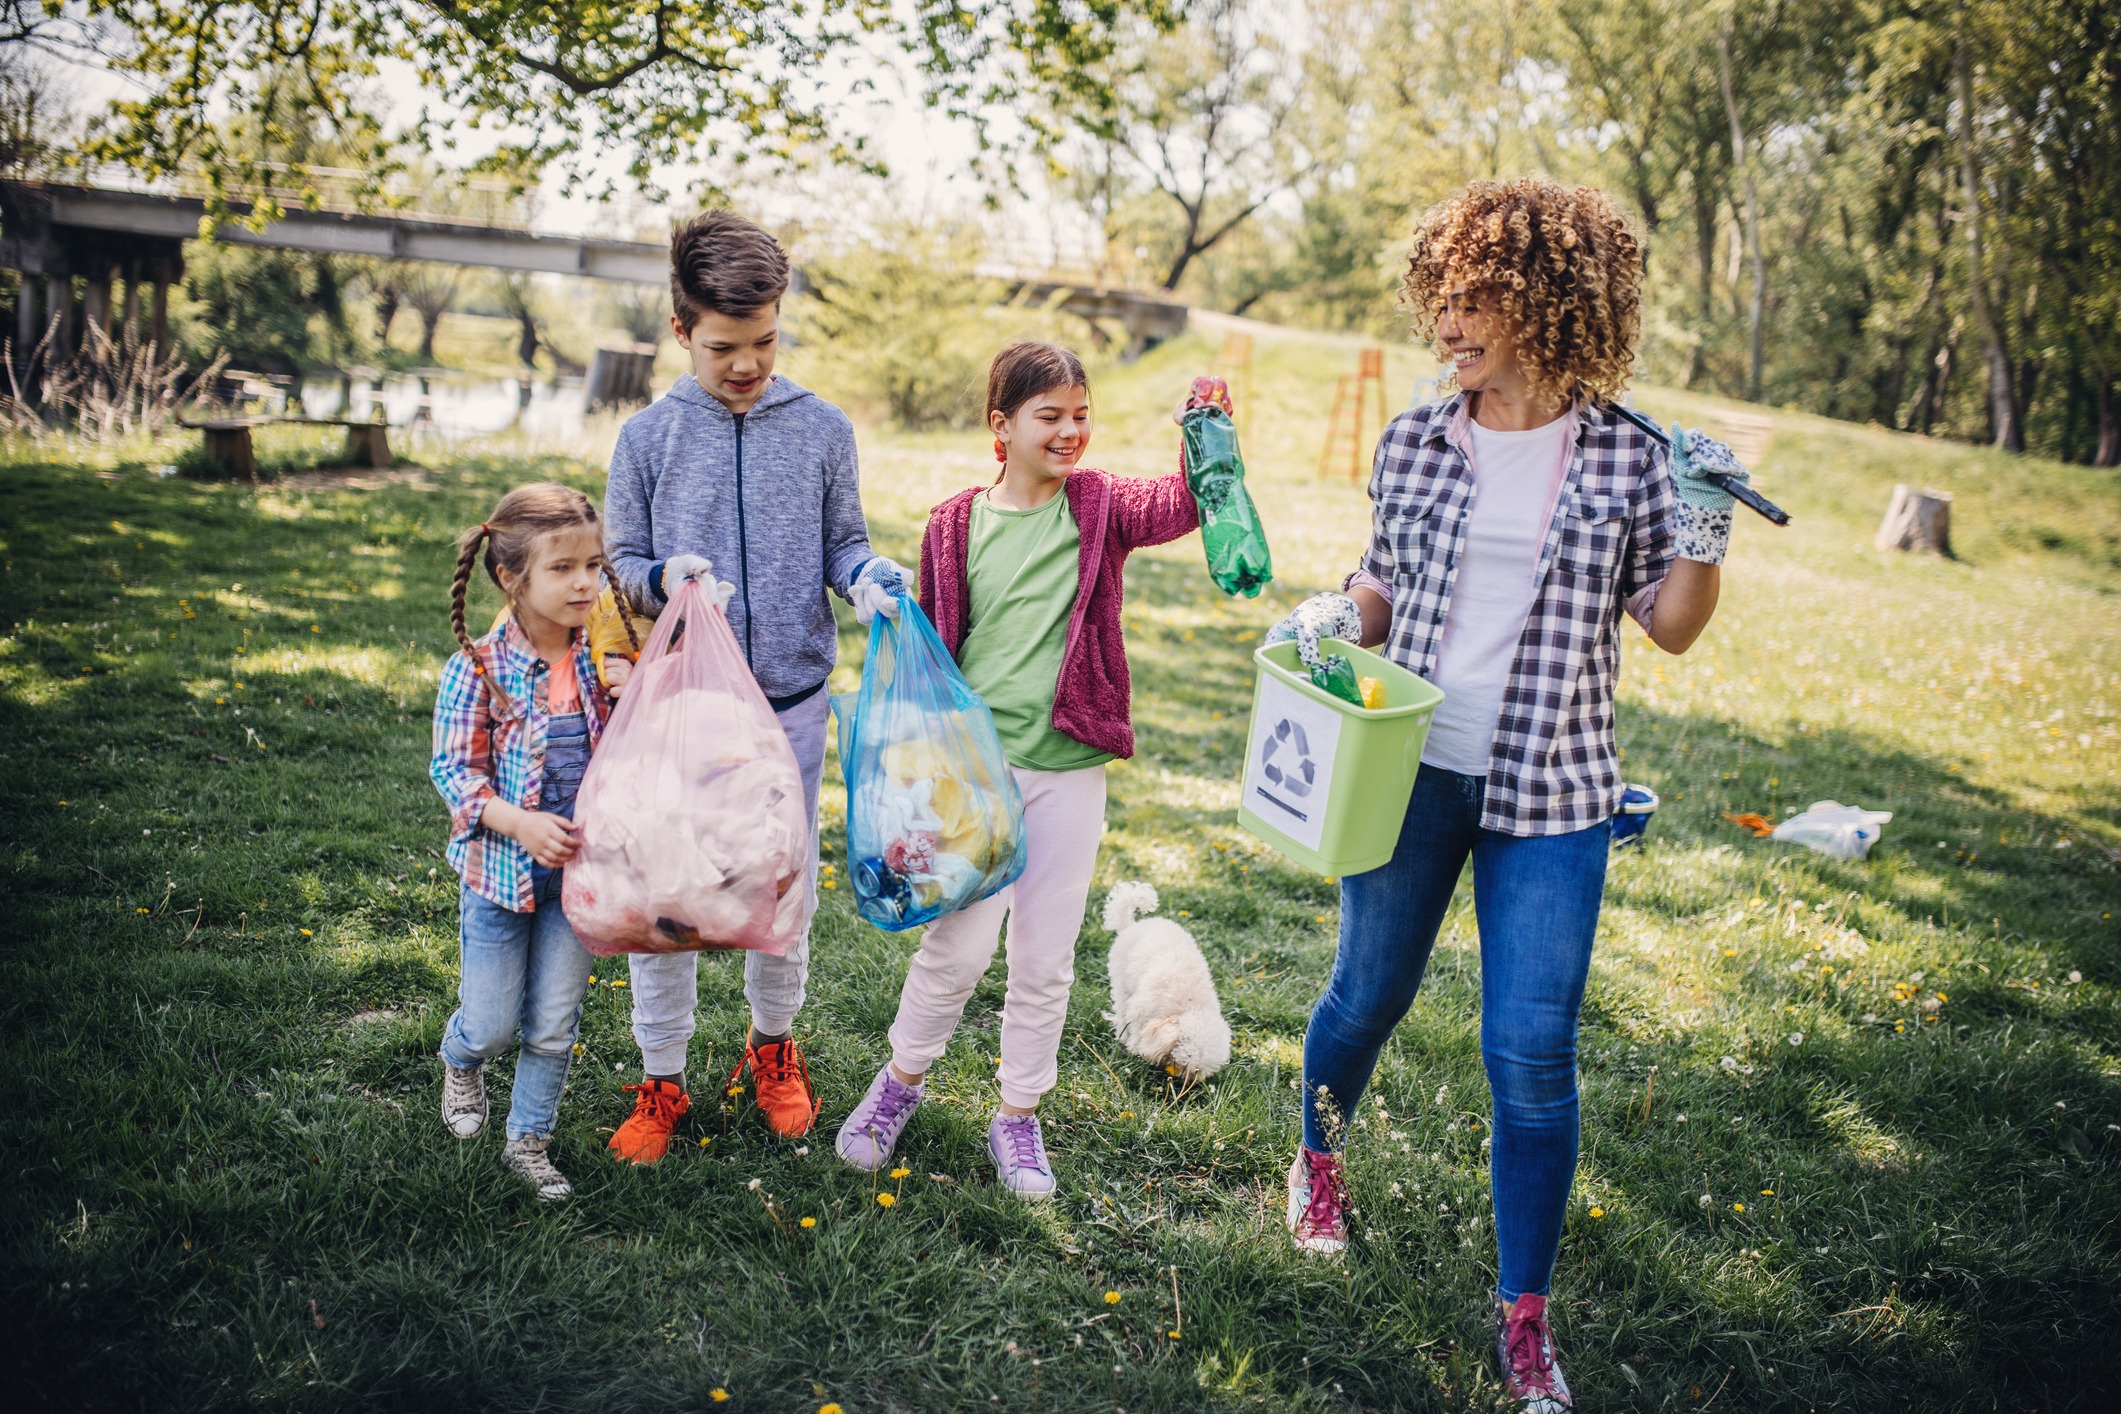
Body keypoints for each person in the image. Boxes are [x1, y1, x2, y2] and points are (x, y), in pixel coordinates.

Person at [1267, 178, 1750, 1412]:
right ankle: (1318, 1160)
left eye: (1471, 300)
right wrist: (1336, 612)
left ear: (1546, 300)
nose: (1447, 326)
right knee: (1365, 994)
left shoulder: (1635, 458)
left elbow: (1674, 629)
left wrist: (1701, 524)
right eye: (1440, 300)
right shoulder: (1420, 436)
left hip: (1556, 786)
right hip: (1408, 764)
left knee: (1531, 1053)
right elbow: (1380, 582)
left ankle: (1525, 1316)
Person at [831, 341, 1201, 1196]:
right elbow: (934, 644)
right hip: (972, 777)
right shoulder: (954, 524)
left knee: (1045, 958)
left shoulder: (1102, 505)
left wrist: (1202, 435)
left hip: (1069, 771)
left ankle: (1020, 1116)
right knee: (954, 950)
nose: (1070, 431)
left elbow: (1183, 504)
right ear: (1001, 426)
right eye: (1050, 416)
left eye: (1081, 414)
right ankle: (899, 1085)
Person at [601, 210, 910, 1157]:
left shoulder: (822, 429)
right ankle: (661, 1078)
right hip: (681, 709)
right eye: (726, 346)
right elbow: (620, 560)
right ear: (681, 332)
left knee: (777, 890)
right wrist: (664, 579)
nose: (748, 364)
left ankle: (771, 1049)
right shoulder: (648, 438)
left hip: (790, 703)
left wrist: (862, 576)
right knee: (673, 891)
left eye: (766, 341)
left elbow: (842, 539)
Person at [429, 482, 638, 1201]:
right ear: (509, 578)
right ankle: (462, 1060)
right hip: (501, 877)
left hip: (576, 883)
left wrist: (635, 689)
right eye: (563, 569)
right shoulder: (478, 670)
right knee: (491, 1023)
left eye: (592, 565)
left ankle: (528, 1141)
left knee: (552, 1023)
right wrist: (517, 822)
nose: (585, 582)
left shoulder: (599, 664)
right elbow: (454, 772)